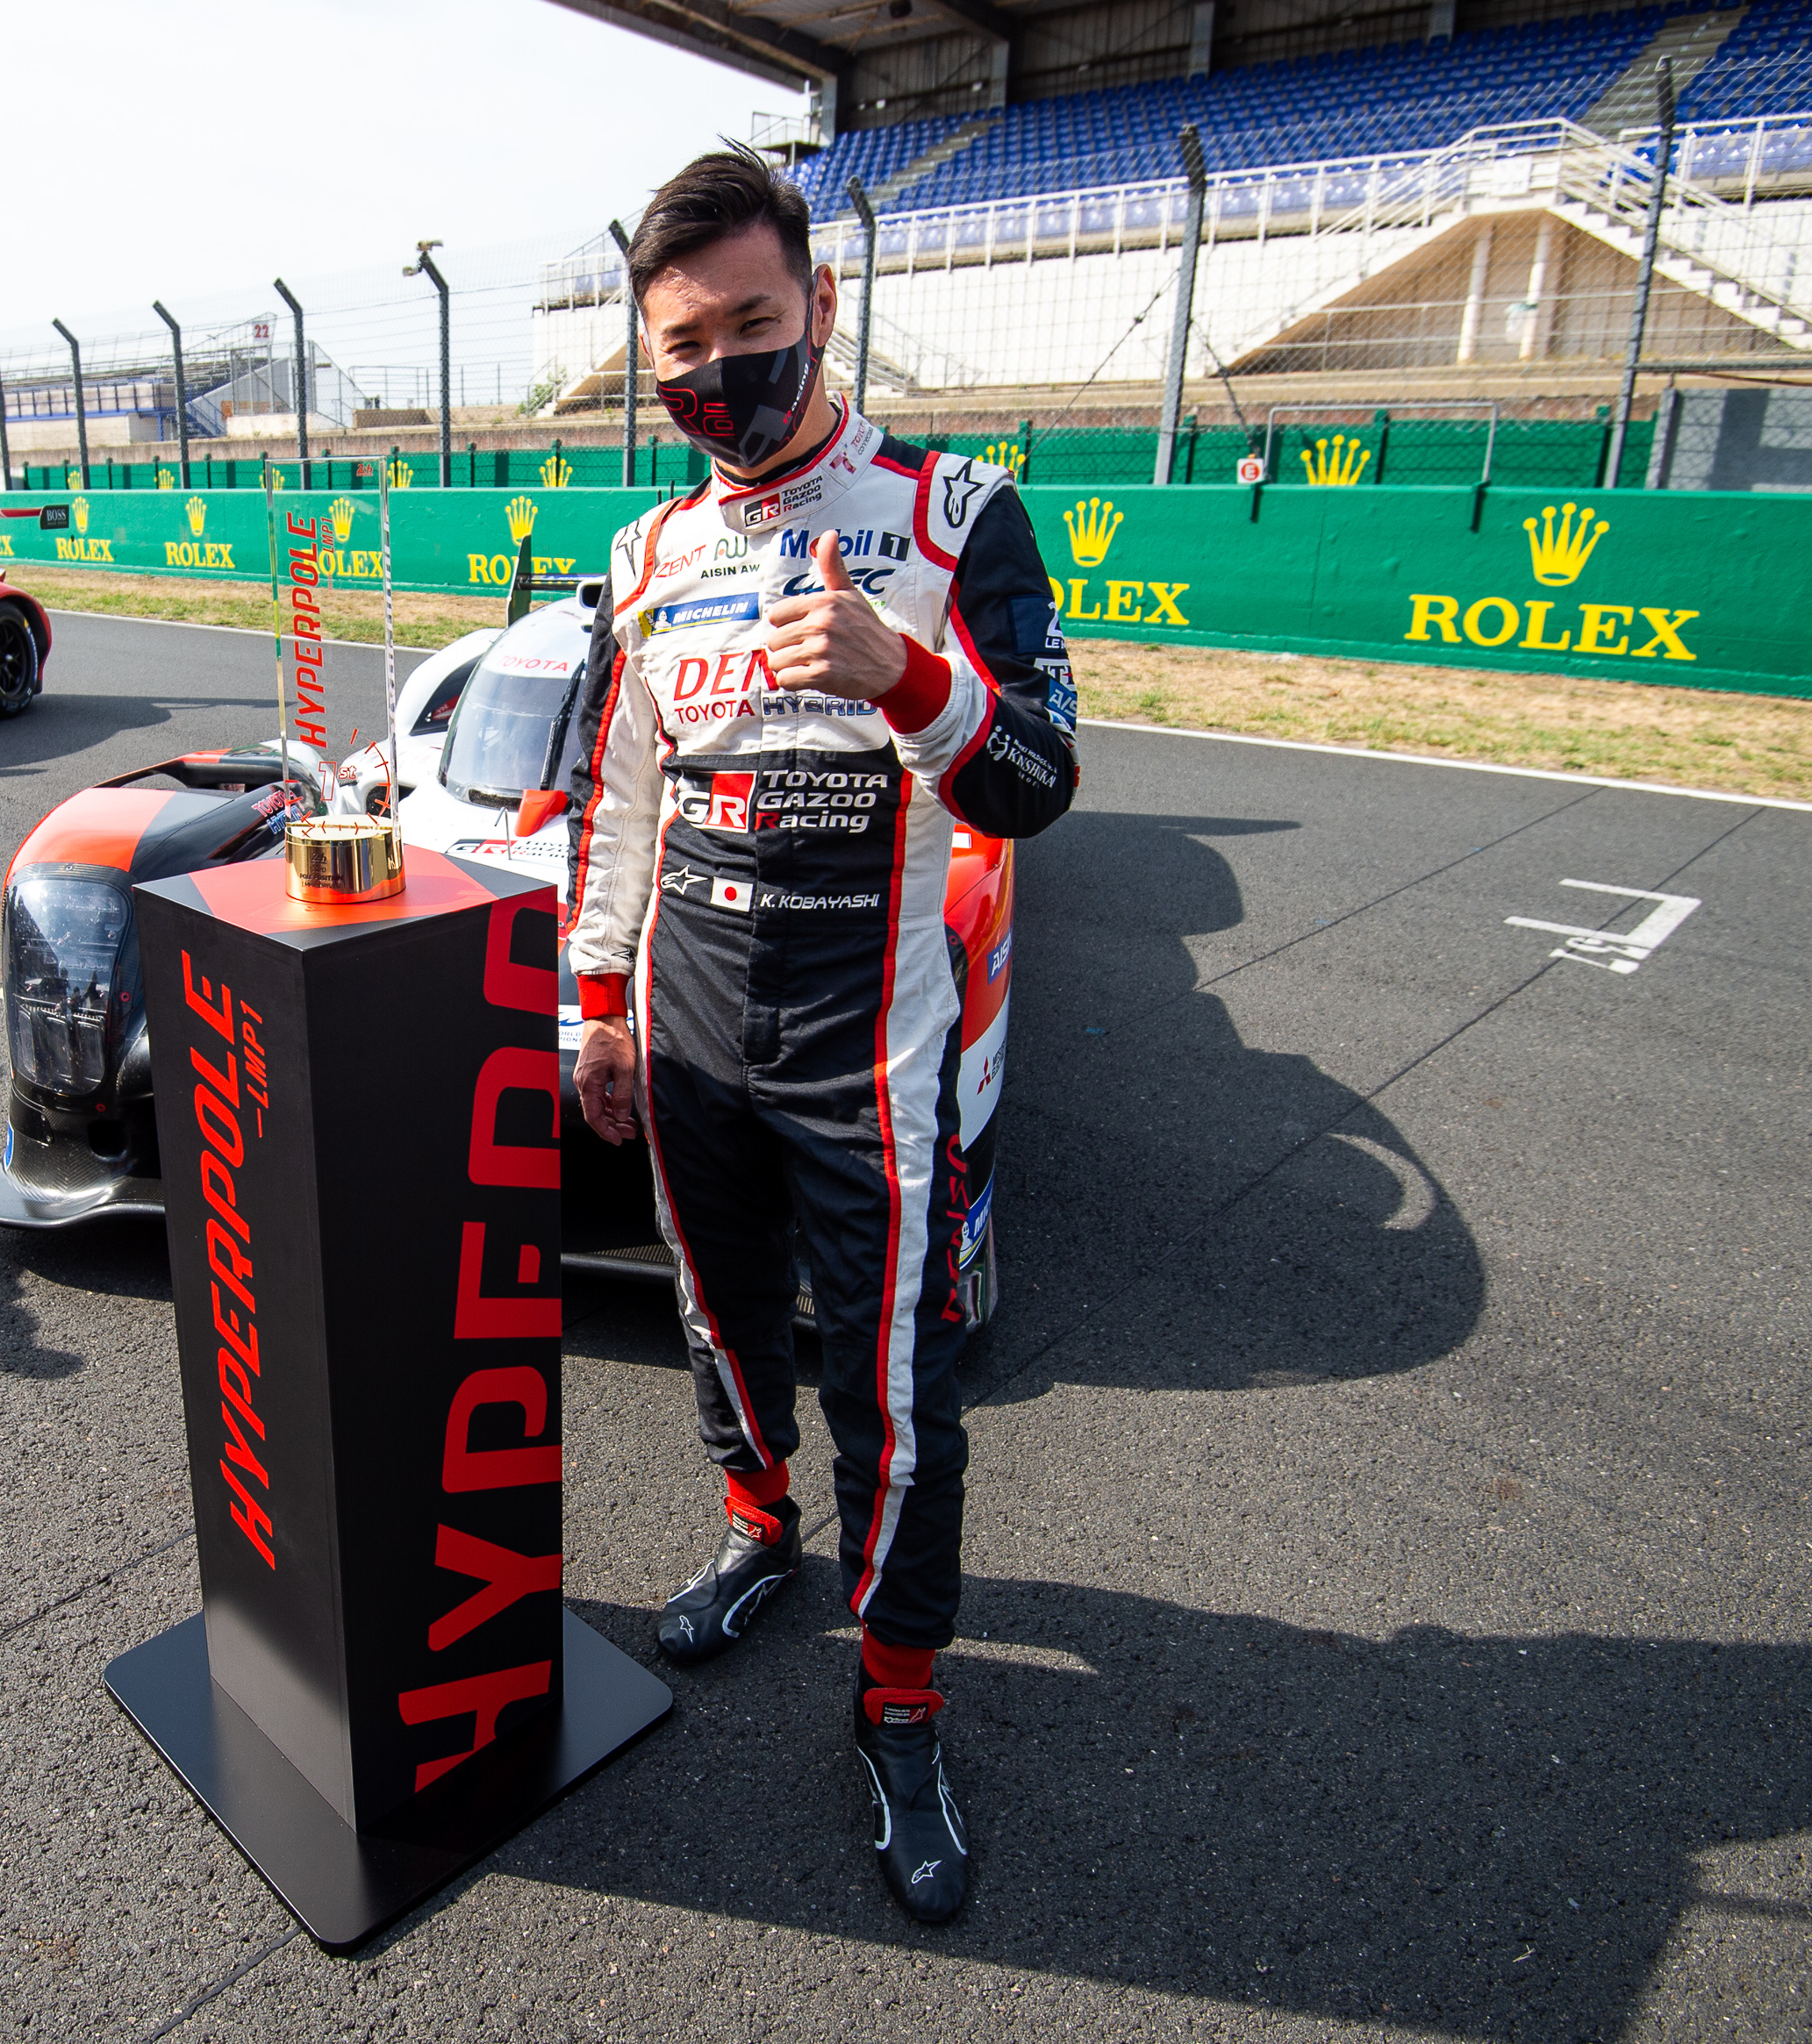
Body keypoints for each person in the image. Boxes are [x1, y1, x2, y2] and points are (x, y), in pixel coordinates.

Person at [562, 147, 1080, 1925]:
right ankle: (754, 1526)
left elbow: (1039, 777)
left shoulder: (960, 513)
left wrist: (905, 673)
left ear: (822, 306)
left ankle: (901, 1704)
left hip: (872, 1032)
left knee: (898, 1388)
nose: (718, 372)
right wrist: (596, 996)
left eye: (751, 328)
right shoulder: (640, 552)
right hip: (691, 1008)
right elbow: (620, 797)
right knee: (709, 1304)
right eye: (681, 348)